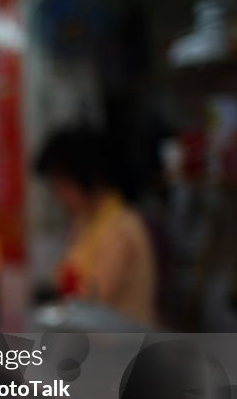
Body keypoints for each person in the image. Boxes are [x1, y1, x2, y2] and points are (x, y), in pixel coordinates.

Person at [35, 126, 157, 325]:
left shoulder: (122, 229)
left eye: (62, 185)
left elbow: (92, 302)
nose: (58, 196)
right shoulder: (85, 221)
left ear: (90, 179)